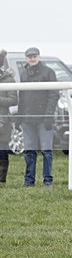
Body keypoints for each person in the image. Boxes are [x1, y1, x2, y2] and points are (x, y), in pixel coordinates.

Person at [18, 47, 58, 186]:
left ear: (39, 57)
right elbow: (21, 97)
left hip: (44, 119)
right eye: (30, 57)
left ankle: (48, 180)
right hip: (27, 119)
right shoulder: (23, 74)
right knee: (29, 151)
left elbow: (54, 95)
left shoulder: (49, 72)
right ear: (26, 59)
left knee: (46, 151)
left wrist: (48, 115)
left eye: (34, 56)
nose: (32, 59)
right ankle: (29, 180)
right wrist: (19, 116)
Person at [0, 49, 18, 184]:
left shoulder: (8, 79)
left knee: (2, 151)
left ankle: (1, 179)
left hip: (2, 122)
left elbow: (13, 100)